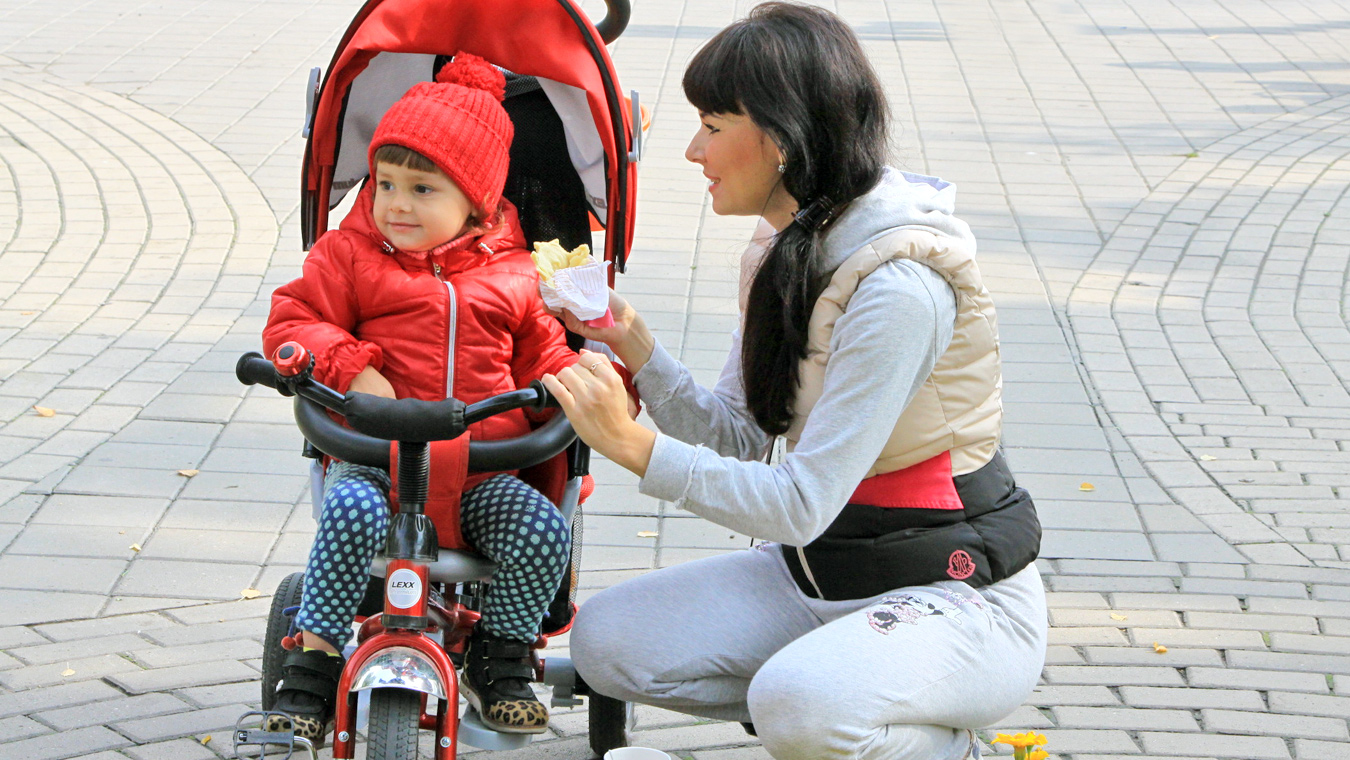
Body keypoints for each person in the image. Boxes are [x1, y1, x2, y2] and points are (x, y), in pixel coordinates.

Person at [542, 4, 1048, 759]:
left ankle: (904, 733)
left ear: (779, 139)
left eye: (712, 126)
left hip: (953, 598)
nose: (692, 150)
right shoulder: (790, 246)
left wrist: (632, 445)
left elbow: (800, 504)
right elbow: (743, 436)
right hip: (817, 580)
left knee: (798, 704)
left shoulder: (898, 291)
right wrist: (641, 352)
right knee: (607, 642)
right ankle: (837, 704)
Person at [262, 53, 586, 739]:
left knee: (541, 529)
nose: (396, 204)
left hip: (480, 471)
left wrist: (582, 384)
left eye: (421, 188)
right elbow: (295, 318)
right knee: (347, 510)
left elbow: (545, 354)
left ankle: (500, 656)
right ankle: (313, 665)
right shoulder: (350, 256)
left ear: (476, 202)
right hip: (376, 459)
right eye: (384, 183)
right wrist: (349, 365)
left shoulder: (517, 275)